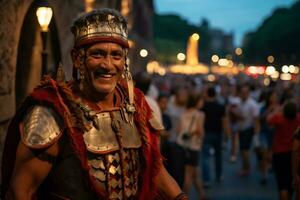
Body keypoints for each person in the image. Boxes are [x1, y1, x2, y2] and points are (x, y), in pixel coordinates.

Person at [1, 8, 187, 200]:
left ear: (124, 61)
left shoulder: (136, 106)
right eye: (97, 54)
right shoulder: (53, 111)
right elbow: (20, 191)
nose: (107, 65)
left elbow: (155, 170)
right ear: (77, 59)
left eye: (116, 55)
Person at [267, 101, 300, 200]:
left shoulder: (279, 118)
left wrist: (278, 109)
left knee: (282, 183)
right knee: (291, 181)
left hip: (279, 153)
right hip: (292, 154)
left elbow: (268, 120)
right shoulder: (298, 119)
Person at [176, 93, 206, 199]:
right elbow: (200, 131)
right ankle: (184, 197)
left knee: (194, 173)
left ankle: (202, 195)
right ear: (197, 102)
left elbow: (178, 130)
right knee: (189, 174)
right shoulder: (199, 114)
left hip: (182, 146)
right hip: (193, 146)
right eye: (201, 101)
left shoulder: (183, 113)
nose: (202, 103)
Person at [201, 86, 228, 185]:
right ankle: (219, 175)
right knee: (218, 155)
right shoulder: (220, 106)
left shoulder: (203, 107)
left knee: (205, 157)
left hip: (206, 133)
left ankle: (206, 179)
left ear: (207, 94)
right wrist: (226, 134)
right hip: (218, 133)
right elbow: (224, 121)